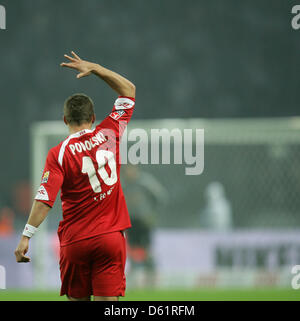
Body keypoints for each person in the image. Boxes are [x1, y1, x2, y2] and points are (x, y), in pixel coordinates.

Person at [14, 51, 136, 301]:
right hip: (110, 239)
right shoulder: (110, 132)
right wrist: (97, 68)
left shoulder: (58, 154)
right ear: (93, 118)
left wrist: (26, 235)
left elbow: (45, 199)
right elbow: (128, 91)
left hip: (75, 241)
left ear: (64, 120)